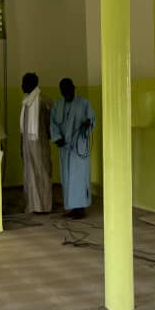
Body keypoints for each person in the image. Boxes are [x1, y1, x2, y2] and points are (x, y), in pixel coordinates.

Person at [50, 77, 95, 219]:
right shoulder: (57, 105)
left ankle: (81, 209)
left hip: (79, 146)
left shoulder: (84, 103)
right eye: (63, 91)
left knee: (80, 178)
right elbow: (53, 123)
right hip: (65, 148)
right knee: (67, 178)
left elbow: (92, 119)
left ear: (74, 88)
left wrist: (87, 124)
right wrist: (57, 138)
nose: (66, 93)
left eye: (68, 89)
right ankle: (71, 207)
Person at [19, 72, 53, 213]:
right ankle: (33, 205)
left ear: (32, 84)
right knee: (30, 173)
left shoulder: (44, 101)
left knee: (42, 172)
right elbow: (23, 128)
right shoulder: (26, 102)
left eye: (24, 83)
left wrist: (48, 138)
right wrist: (21, 144)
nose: (21, 86)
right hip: (27, 144)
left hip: (40, 144)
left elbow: (50, 123)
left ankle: (44, 206)